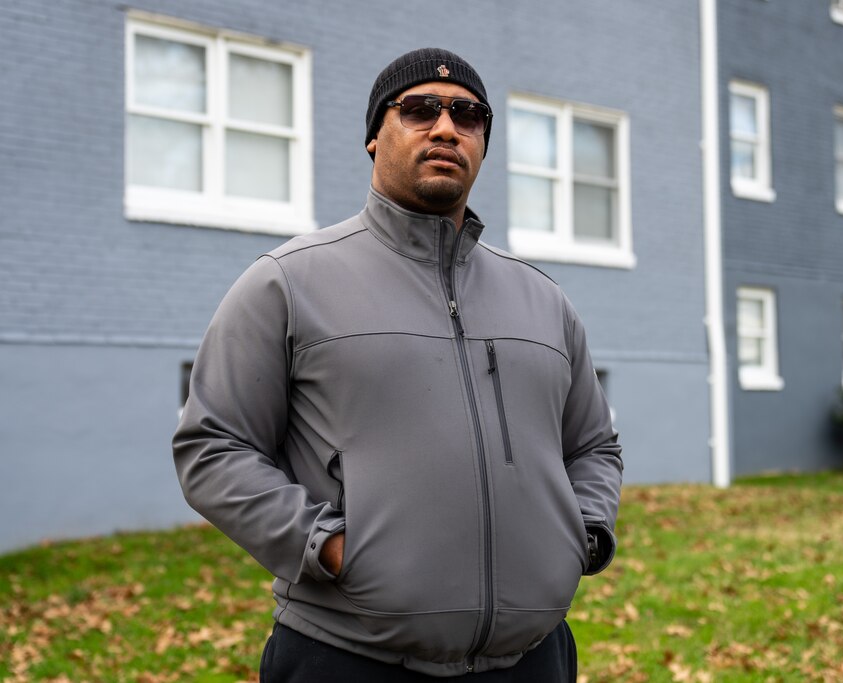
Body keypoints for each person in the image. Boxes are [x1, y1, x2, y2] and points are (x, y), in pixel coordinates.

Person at [172, 47, 623, 681]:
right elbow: (213, 447)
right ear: (372, 137)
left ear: (484, 143)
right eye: (419, 109)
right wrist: (328, 547)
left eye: (468, 115)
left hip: (532, 659)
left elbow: (594, 445)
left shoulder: (543, 300)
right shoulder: (288, 283)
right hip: (348, 657)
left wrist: (581, 535)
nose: (446, 128)